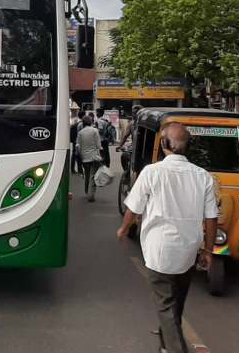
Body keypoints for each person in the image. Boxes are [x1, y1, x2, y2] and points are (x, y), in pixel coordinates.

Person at [117, 123, 218, 353]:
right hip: (188, 251)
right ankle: (165, 343)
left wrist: (123, 230)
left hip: (158, 250)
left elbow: (133, 208)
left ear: (163, 145)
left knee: (165, 306)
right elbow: (212, 218)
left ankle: (174, 348)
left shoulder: (152, 172)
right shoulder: (203, 176)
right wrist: (208, 251)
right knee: (176, 302)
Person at [76, 115, 102, 202]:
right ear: (91, 122)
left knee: (87, 175)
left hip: (84, 157)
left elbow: (77, 146)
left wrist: (80, 155)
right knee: (93, 176)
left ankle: (87, 192)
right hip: (94, 157)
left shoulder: (80, 133)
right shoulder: (95, 131)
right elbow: (98, 145)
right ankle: (91, 195)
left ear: (83, 123)